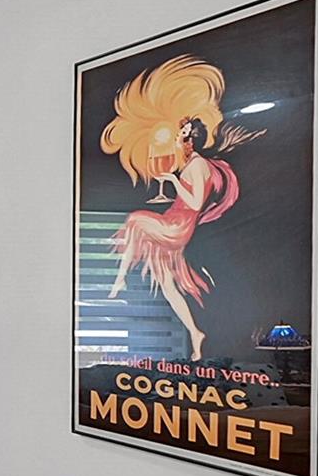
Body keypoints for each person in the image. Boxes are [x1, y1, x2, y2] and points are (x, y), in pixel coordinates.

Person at [99, 57, 242, 361]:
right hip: (172, 218)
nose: (178, 137)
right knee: (167, 286)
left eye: (182, 133)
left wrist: (174, 181)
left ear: (191, 139)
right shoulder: (189, 163)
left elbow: (195, 203)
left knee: (136, 220)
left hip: (179, 226)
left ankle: (119, 279)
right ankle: (195, 333)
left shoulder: (199, 165)